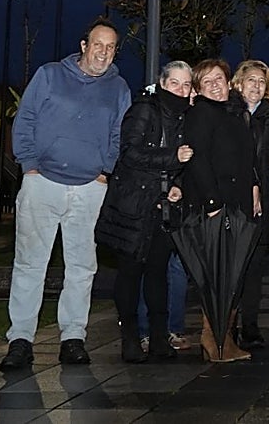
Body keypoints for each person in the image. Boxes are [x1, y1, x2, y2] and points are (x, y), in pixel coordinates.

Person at [0, 18, 131, 371]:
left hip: (90, 188)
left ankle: (73, 337)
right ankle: (20, 340)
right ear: (84, 45)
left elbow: (120, 134)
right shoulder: (50, 75)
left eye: (111, 47)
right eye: (98, 44)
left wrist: (105, 170)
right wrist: (28, 163)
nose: (103, 52)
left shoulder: (118, 89)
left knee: (82, 267)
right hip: (42, 183)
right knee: (30, 264)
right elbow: (25, 118)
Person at [95, 60, 193, 363]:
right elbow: (130, 153)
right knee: (130, 271)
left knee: (157, 273)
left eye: (186, 84)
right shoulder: (144, 109)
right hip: (134, 206)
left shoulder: (185, 117)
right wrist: (171, 157)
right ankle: (130, 338)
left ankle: (160, 337)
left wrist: (177, 185)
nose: (180, 88)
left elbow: (185, 164)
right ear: (162, 83)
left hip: (162, 207)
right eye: (174, 82)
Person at [181, 58, 260, 363]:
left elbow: (245, 157)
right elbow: (197, 160)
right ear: (199, 89)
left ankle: (223, 338)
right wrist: (212, 204)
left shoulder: (232, 113)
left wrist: (253, 187)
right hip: (216, 206)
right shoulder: (202, 113)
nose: (215, 85)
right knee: (219, 275)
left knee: (232, 274)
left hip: (237, 203)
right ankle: (214, 339)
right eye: (207, 82)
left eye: (219, 79)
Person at [230, 59, 269, 348]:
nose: (256, 86)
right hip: (232, 198)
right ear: (239, 83)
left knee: (254, 265)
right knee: (231, 266)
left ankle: (251, 325)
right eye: (251, 80)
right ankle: (225, 323)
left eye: (261, 81)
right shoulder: (229, 112)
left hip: (264, 199)